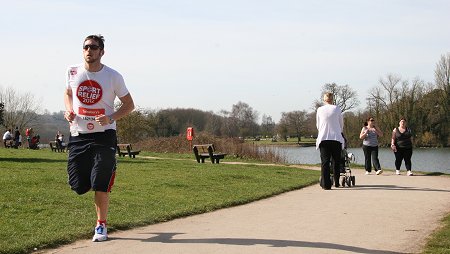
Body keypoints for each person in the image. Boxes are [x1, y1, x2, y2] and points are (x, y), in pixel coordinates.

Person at [64, 34, 135, 242]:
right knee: (78, 186)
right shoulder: (72, 71)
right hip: (79, 134)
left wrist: (111, 117)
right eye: (86, 47)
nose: (89, 50)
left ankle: (101, 226)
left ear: (102, 52)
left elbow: (129, 105)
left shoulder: (113, 76)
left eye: (94, 47)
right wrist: (69, 111)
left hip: (104, 135)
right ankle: (99, 176)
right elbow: (68, 93)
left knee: (100, 183)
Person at [316, 92, 345, 190]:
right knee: (336, 161)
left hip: (323, 138)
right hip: (336, 138)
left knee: (325, 162)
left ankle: (326, 184)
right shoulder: (337, 109)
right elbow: (341, 124)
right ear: (332, 99)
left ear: (324, 100)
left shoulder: (319, 110)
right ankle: (336, 182)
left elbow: (318, 125)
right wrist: (338, 131)